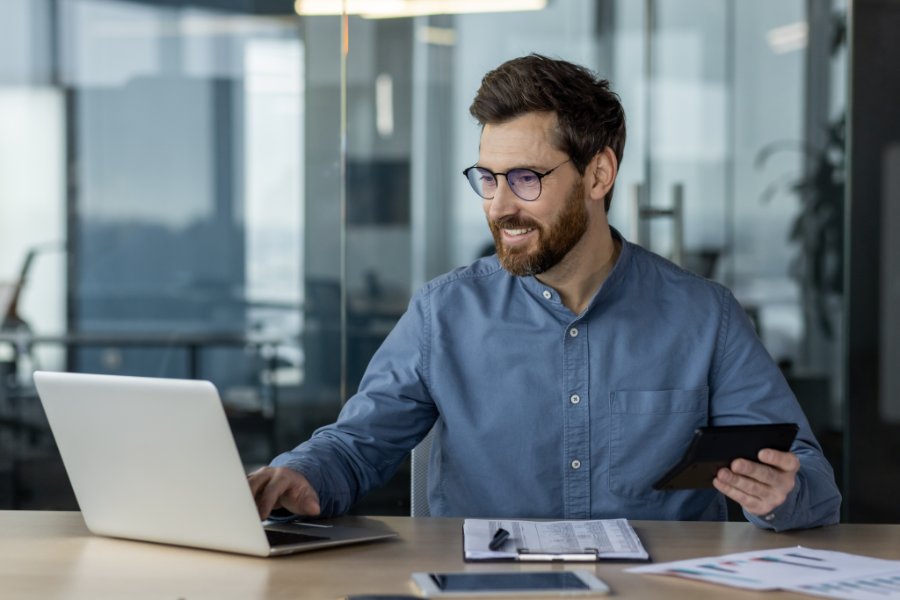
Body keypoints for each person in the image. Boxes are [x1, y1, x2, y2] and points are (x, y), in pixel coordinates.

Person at [250, 54, 841, 531]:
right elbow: (355, 448)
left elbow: (812, 481)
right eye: (488, 178)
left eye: (526, 179)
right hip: (486, 590)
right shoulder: (444, 313)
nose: (500, 205)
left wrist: (782, 493)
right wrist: (296, 476)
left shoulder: (704, 316)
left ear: (598, 175)